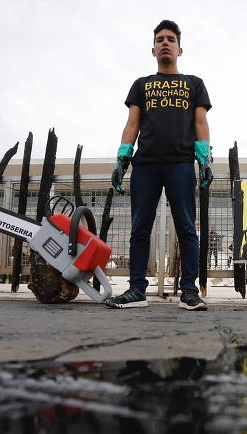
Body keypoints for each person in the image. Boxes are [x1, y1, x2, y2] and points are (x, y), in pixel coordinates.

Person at [105, 20, 211, 310]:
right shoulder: (141, 85)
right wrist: (122, 159)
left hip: (180, 163)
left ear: (180, 49)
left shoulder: (194, 84)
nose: (166, 43)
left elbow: (201, 123)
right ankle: (137, 290)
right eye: (161, 39)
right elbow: (132, 124)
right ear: (153, 49)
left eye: (171, 39)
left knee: (187, 228)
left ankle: (189, 291)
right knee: (140, 228)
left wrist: (205, 160)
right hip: (146, 165)